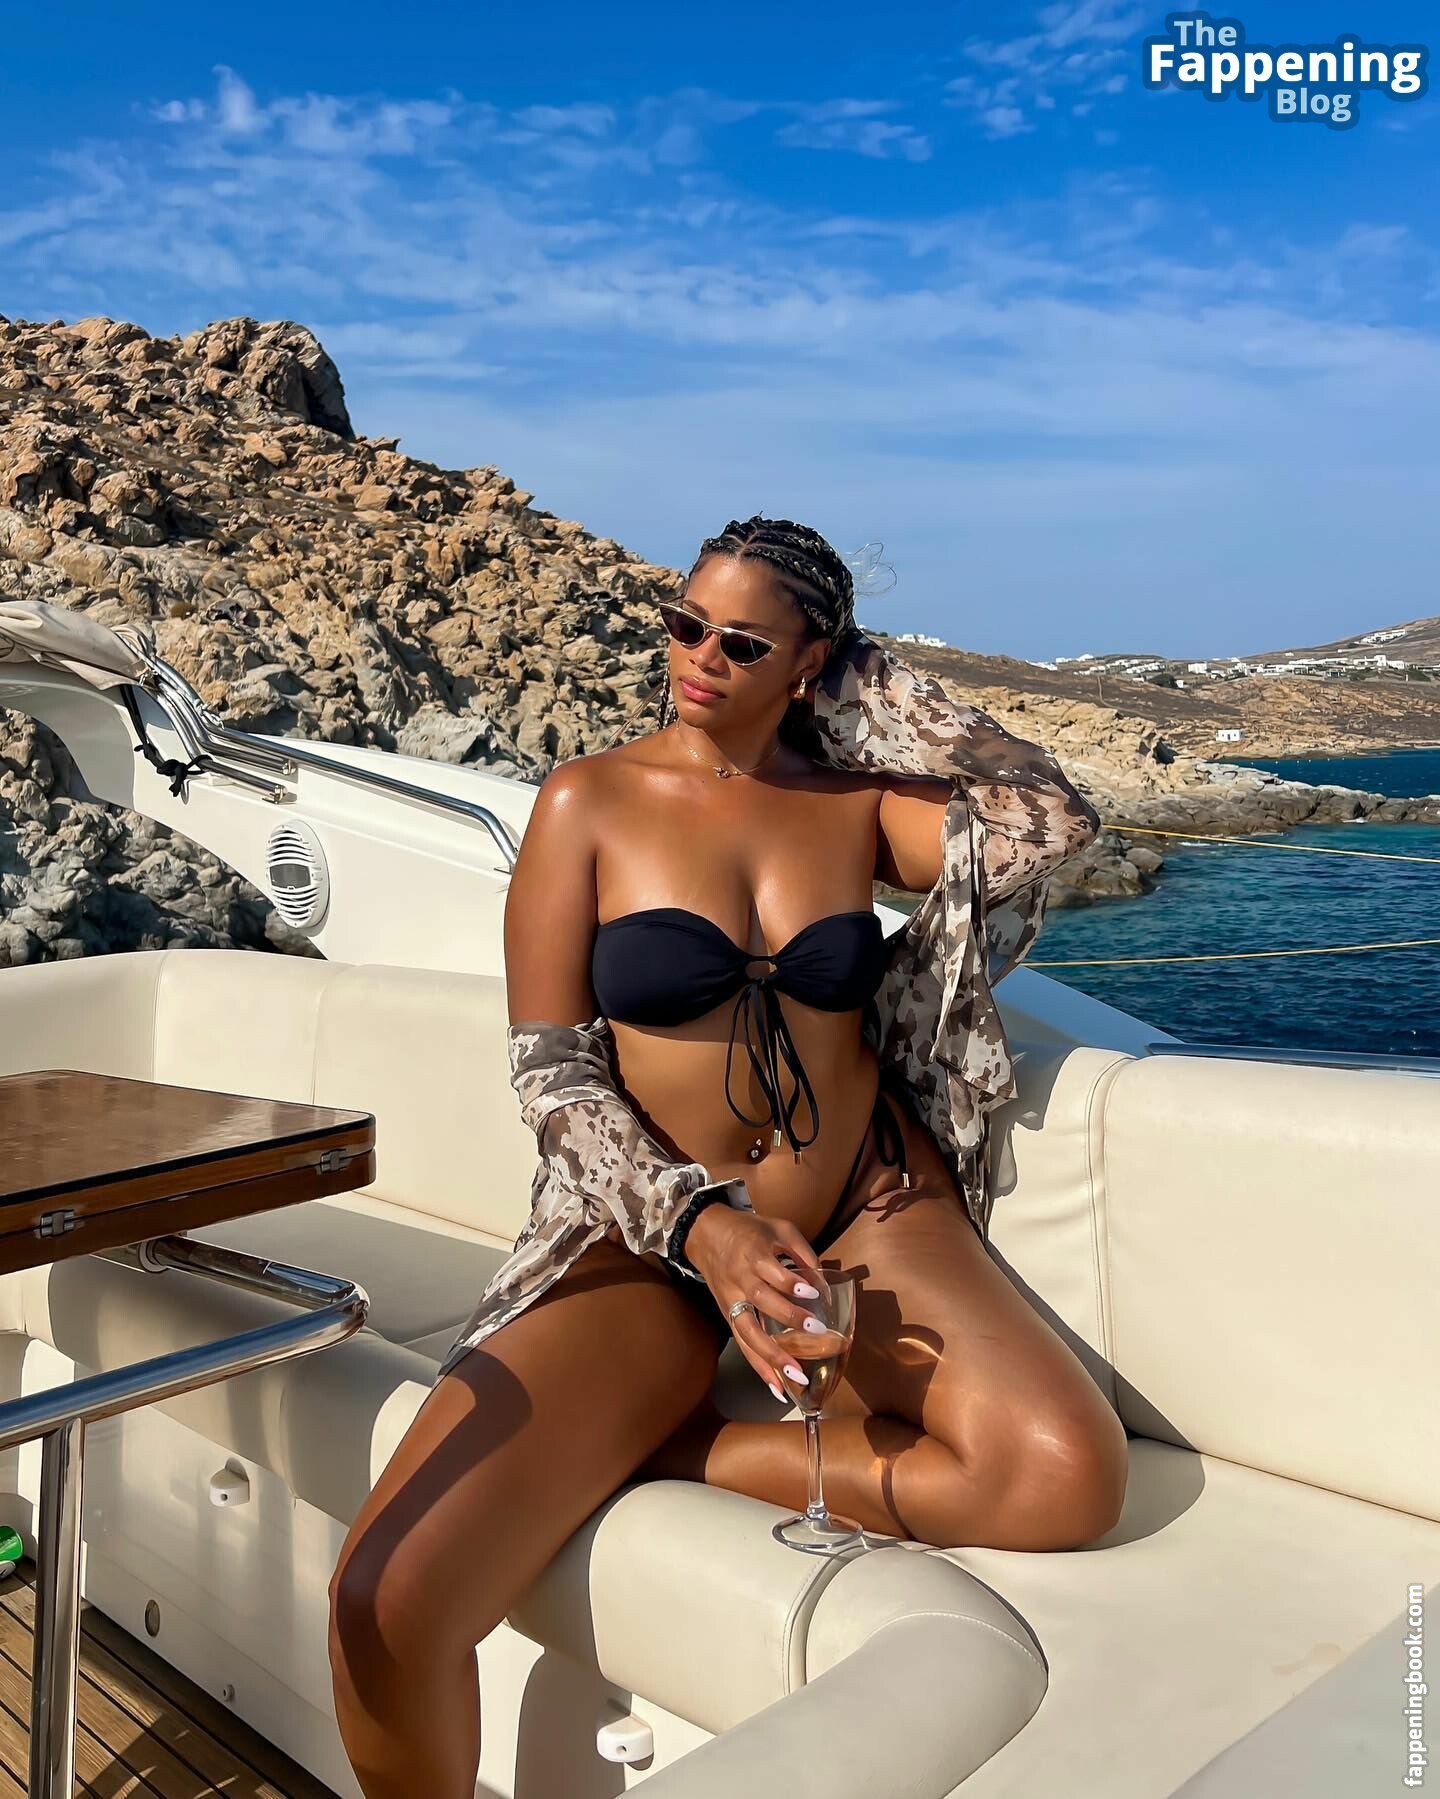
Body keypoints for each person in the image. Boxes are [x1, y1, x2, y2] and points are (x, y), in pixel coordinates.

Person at [327, 515, 1130, 1797]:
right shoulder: (587, 800)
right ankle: (661, 1390)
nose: (699, 656)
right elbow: (551, 1068)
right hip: (647, 1236)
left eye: (744, 642)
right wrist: (700, 1221)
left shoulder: (857, 809)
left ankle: (678, 1442)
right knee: (388, 1600)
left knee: (1062, 1475)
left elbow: (1052, 821)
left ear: (810, 662)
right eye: (685, 623)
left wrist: (871, 682)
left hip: (866, 1203)